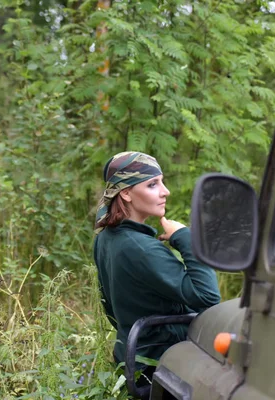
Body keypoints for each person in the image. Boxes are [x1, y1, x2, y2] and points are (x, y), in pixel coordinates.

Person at [93, 151, 221, 385]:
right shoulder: (141, 248)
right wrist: (185, 237)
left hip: (132, 359)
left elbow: (111, 308)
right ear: (126, 194)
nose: (165, 191)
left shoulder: (106, 238)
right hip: (163, 366)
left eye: (162, 182)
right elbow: (208, 296)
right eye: (153, 184)